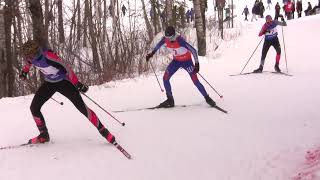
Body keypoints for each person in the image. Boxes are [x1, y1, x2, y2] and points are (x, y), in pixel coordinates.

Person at [19, 40, 116, 145]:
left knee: (82, 108)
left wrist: (77, 83)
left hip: (64, 83)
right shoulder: (31, 58)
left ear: (35, 52)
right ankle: (44, 135)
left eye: (29, 55)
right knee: (34, 107)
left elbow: (67, 68)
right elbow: (29, 63)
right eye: (26, 56)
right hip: (49, 83)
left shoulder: (48, 56)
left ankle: (103, 131)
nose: (27, 58)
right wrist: (25, 71)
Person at [145, 26, 216, 108]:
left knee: (195, 81)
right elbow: (158, 46)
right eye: (166, 37)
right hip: (176, 61)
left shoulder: (180, 40)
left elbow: (193, 50)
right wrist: (151, 54)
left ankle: (207, 98)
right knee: (165, 78)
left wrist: (197, 64)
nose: (168, 39)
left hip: (187, 62)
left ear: (173, 35)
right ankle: (170, 100)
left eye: (170, 37)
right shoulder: (165, 39)